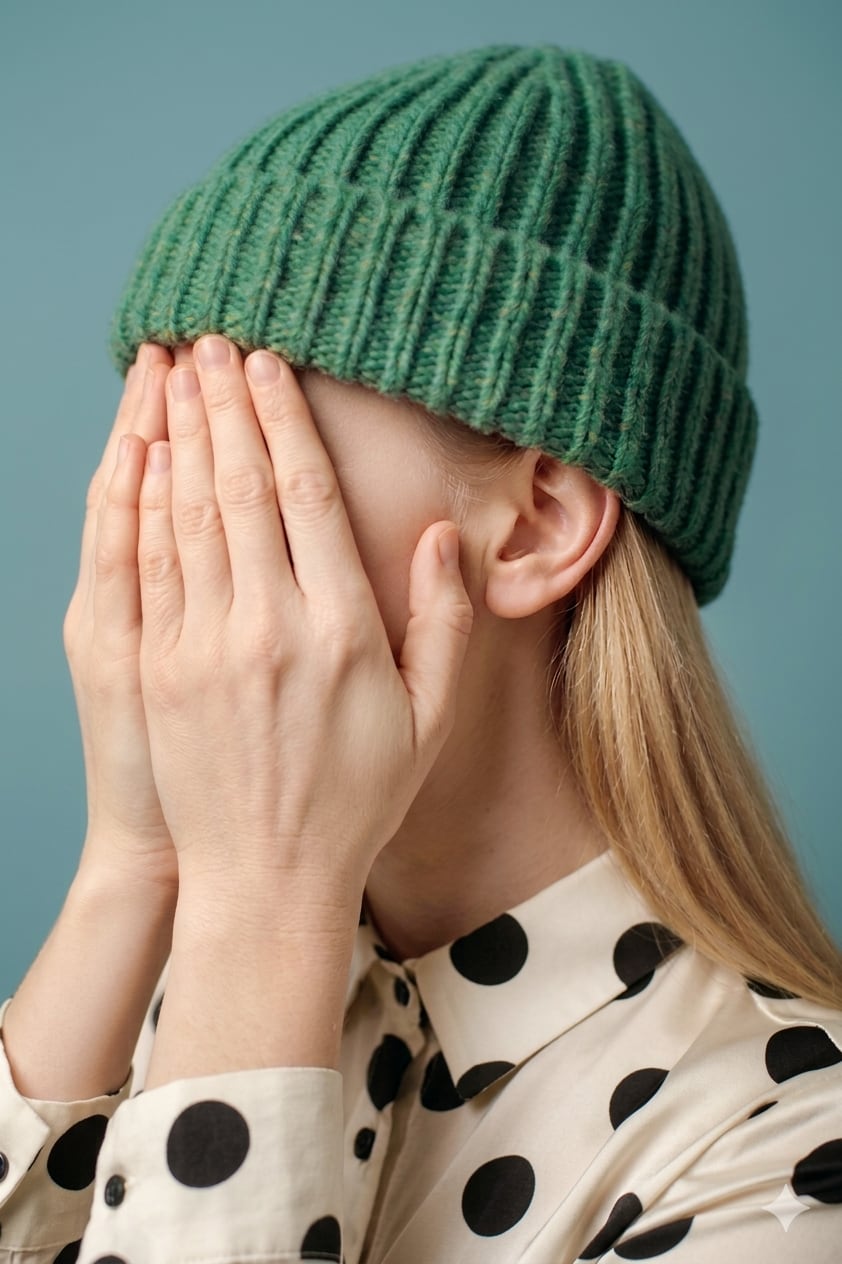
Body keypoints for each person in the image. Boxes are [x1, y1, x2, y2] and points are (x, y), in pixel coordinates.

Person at [1, 40, 840, 1264]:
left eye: (245, 443)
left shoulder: (784, 1161)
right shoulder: (184, 986)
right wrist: (133, 866)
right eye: (154, 434)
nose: (158, 526)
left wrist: (261, 900)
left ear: (536, 524)